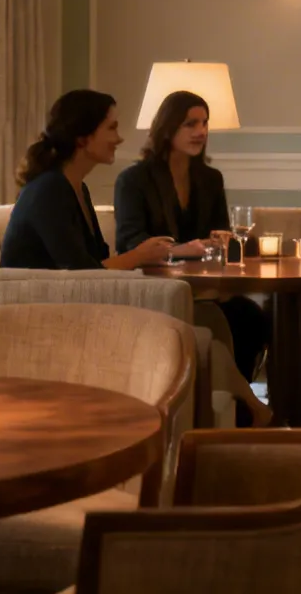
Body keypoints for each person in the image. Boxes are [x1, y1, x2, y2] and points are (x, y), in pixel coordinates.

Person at [114, 89, 272, 428]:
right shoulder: (134, 180)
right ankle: (248, 406)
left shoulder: (210, 179)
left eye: (204, 123)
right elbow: (130, 241)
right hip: (156, 288)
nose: (200, 131)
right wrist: (179, 249)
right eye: (190, 124)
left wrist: (223, 241)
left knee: (249, 317)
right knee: (221, 321)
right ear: (168, 128)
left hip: (204, 286)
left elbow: (221, 233)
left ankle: (232, 408)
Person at [0, 90, 176, 272]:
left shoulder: (78, 188)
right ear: (82, 138)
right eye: (112, 128)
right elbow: (80, 272)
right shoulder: (49, 189)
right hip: (34, 298)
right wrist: (138, 256)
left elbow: (98, 262)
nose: (119, 138)